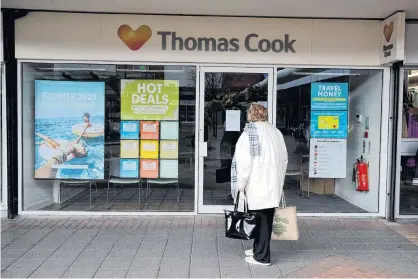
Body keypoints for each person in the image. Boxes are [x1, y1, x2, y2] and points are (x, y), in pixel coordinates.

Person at [231, 103, 288, 266]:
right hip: (272, 183)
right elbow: (284, 159)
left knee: (260, 219)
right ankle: (258, 249)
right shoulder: (276, 132)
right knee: (266, 219)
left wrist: (240, 185)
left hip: (257, 183)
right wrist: (280, 180)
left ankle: (262, 257)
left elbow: (243, 164)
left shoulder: (248, 134)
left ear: (251, 115)